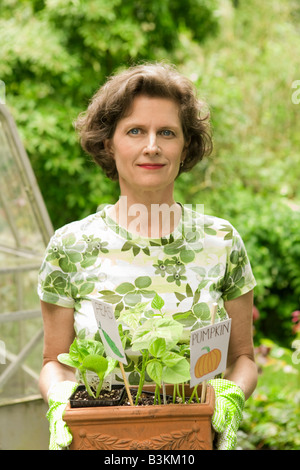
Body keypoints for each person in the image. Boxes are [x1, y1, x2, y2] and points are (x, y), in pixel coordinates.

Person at [38, 62, 257, 450]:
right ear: (109, 143)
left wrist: (232, 393)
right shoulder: (70, 246)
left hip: (191, 441)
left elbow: (243, 358)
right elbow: (54, 361)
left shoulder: (220, 240)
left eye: (167, 132)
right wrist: (59, 401)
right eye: (135, 130)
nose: (152, 146)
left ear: (185, 145)